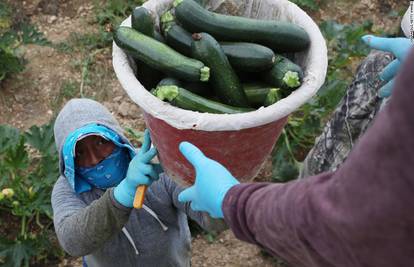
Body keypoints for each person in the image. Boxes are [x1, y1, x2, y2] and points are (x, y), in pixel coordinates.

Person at [176, 8, 414, 267]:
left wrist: (233, 202)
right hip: (401, 62)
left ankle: (284, 244)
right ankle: (282, 244)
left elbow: (345, 225)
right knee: (329, 158)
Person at [51, 98, 224, 267]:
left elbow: (211, 220)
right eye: (80, 153)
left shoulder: (152, 165)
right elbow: (72, 241)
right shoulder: (67, 189)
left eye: (101, 142)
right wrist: (120, 197)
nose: (95, 159)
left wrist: (222, 201)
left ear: (116, 138)